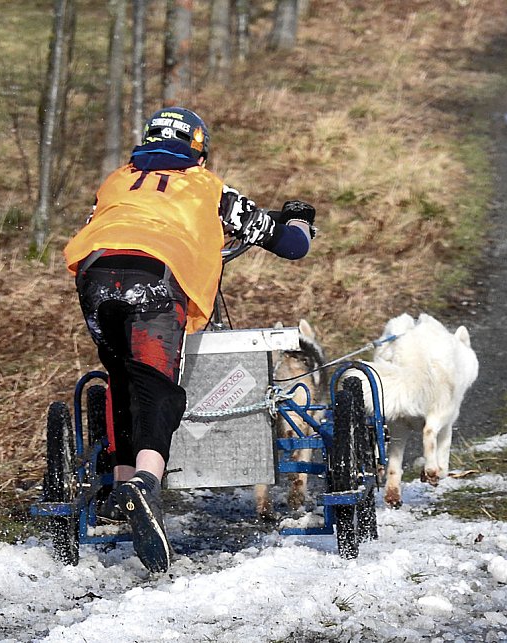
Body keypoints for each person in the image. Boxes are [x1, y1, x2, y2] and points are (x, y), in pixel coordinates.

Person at [63, 107, 316, 573]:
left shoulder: (117, 180)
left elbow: (97, 224)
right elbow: (290, 245)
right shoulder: (208, 187)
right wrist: (298, 219)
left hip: (96, 277)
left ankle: (119, 489)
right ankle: (144, 484)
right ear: (199, 150)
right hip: (156, 279)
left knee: (121, 378)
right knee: (157, 387)